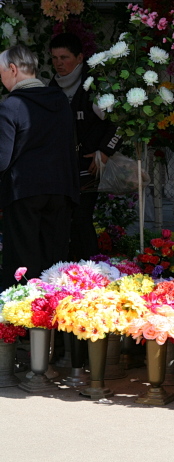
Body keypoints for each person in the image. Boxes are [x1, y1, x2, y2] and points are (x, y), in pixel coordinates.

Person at [0, 44, 80, 290]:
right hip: (61, 189)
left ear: (13, 69)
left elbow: (2, 159)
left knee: (22, 264)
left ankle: (23, 312)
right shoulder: (60, 100)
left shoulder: (11, 105)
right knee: (53, 262)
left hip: (24, 192)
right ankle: (54, 310)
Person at [49, 33, 120, 261]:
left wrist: (104, 152)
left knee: (81, 218)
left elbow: (119, 123)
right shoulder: (52, 87)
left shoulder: (95, 86)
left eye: (64, 57)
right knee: (63, 219)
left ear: (79, 58)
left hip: (89, 165)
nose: (59, 63)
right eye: (54, 58)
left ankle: (93, 266)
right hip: (61, 167)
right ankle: (68, 268)